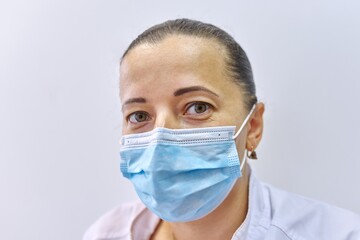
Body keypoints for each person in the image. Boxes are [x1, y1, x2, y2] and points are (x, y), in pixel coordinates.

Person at [84, 19, 360, 240]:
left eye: (198, 108)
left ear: (253, 127)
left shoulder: (339, 234)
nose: (160, 138)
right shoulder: (105, 233)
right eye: (139, 115)